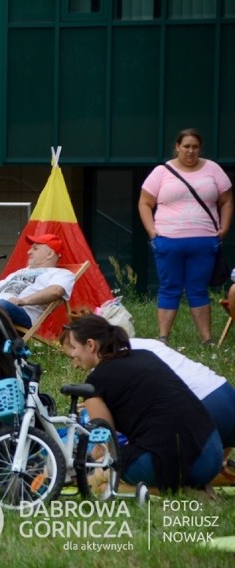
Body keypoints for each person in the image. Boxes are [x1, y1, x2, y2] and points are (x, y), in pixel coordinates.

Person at [62, 314, 223, 493]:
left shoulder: (95, 383)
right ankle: (192, 485)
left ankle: (185, 492)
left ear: (91, 345)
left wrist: (81, 465)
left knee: (99, 483)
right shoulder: (145, 356)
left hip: (174, 462)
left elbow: (105, 442)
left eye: (74, 349)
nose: (75, 363)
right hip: (213, 453)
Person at [60, 327, 235, 451]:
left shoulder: (109, 365)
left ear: (90, 345)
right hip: (226, 394)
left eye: (73, 353)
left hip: (201, 407)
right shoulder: (140, 345)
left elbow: (112, 425)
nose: (74, 364)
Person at [138, 128, 232, 345]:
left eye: (195, 147)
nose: (191, 151)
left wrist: (224, 227)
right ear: (177, 147)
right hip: (168, 240)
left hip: (204, 240)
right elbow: (144, 203)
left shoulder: (213, 169)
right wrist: (152, 232)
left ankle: (207, 339)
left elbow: (227, 200)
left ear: (200, 148)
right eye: (186, 146)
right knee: (169, 287)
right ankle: (163, 338)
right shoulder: (162, 172)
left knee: (198, 289)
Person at [0, 234, 75, 328]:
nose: (28, 252)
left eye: (35, 249)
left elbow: (55, 291)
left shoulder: (62, 274)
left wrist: (22, 301)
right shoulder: (22, 271)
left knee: (1, 305)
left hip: (21, 312)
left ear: (50, 254)